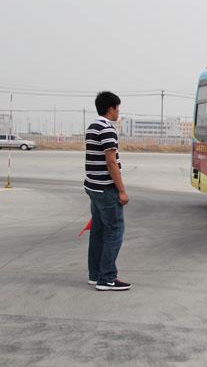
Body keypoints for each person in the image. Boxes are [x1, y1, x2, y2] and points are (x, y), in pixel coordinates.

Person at [84, 91, 131, 291]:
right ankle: (107, 278)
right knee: (114, 231)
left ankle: (95, 275)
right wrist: (122, 191)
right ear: (110, 109)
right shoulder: (107, 129)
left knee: (98, 231)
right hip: (106, 189)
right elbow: (111, 162)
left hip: (93, 186)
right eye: (117, 109)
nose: (118, 112)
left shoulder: (92, 126)